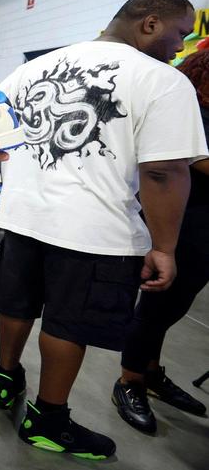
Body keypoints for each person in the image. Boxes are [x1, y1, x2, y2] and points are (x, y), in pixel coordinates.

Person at [0, 0, 204, 459]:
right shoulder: (161, 80)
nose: (180, 47)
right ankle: (47, 420)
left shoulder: (38, 65)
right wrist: (165, 247)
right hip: (92, 228)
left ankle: (4, 379)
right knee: (68, 323)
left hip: (23, 214)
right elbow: (164, 170)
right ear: (149, 23)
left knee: (18, 303)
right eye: (179, 34)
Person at [112, 48, 209, 433]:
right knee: (155, 306)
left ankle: (150, 372)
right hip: (182, 223)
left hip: (202, 227)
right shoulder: (192, 109)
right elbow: (192, 160)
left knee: (173, 307)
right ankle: (130, 380)